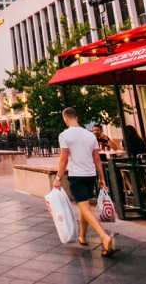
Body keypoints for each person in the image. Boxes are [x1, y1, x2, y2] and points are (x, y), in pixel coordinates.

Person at [54, 107, 116, 257]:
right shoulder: (90, 136)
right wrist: (102, 179)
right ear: (77, 117)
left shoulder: (64, 135)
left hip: (77, 176)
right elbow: (97, 160)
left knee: (85, 208)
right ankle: (82, 236)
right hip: (91, 175)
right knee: (85, 206)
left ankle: (104, 237)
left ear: (65, 118)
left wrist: (58, 178)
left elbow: (63, 159)